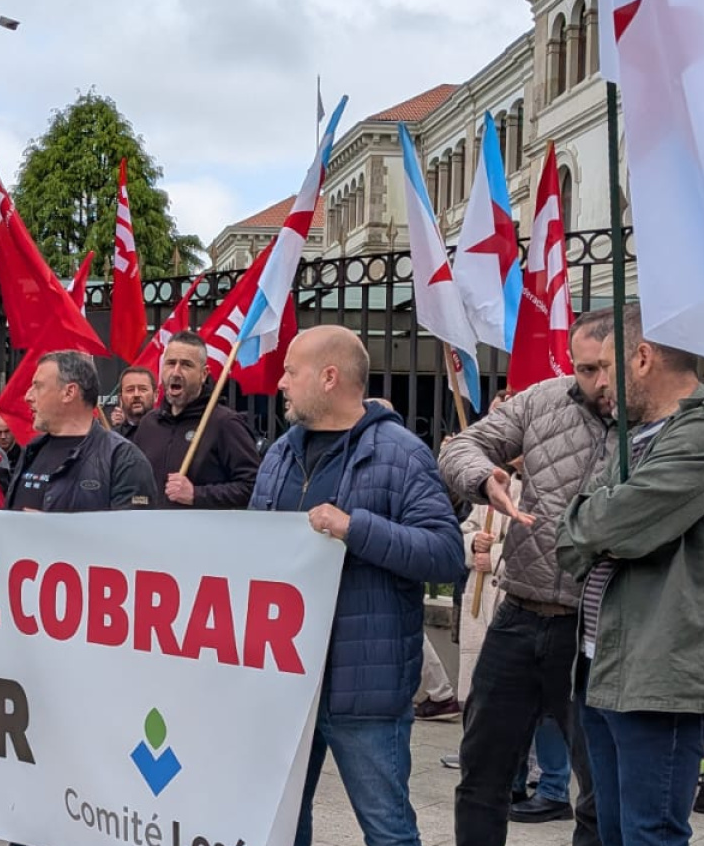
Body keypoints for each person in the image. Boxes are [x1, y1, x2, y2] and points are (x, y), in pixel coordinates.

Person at [555, 305, 704, 846]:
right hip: (606, 662)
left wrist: (596, 522)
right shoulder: (638, 435)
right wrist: (594, 522)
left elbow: (620, 526)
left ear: (643, 358)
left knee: (650, 834)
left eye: (606, 366)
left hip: (665, 669)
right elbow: (571, 537)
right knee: (609, 828)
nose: (598, 383)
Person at [250, 326, 464, 846]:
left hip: (363, 685)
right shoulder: (280, 453)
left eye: (291, 372)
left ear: (329, 377)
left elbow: (445, 552)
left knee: (388, 830)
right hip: (288, 680)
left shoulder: (400, 453)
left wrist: (355, 528)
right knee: (280, 824)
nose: (281, 383)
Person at [438, 309, 614, 841]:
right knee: (482, 772)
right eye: (585, 368)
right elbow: (462, 446)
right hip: (518, 613)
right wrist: (483, 478)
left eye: (606, 368)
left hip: (596, 627)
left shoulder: (655, 422)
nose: (597, 382)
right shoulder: (544, 399)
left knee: (601, 788)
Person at [126, 332, 260, 509]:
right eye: (170, 363)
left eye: (186, 365)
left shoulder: (225, 423)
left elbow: (253, 486)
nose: (176, 372)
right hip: (152, 525)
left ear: (203, 374)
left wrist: (197, 495)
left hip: (203, 526)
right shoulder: (148, 424)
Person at [7, 351, 153, 512]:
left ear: (69, 392)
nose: (28, 396)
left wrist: (51, 525)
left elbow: (133, 526)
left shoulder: (123, 459)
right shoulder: (31, 450)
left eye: (38, 386)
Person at [110, 365, 156, 434]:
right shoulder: (112, 438)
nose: (136, 394)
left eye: (143, 389)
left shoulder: (168, 433)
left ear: (156, 395)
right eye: (130, 390)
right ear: (121, 398)